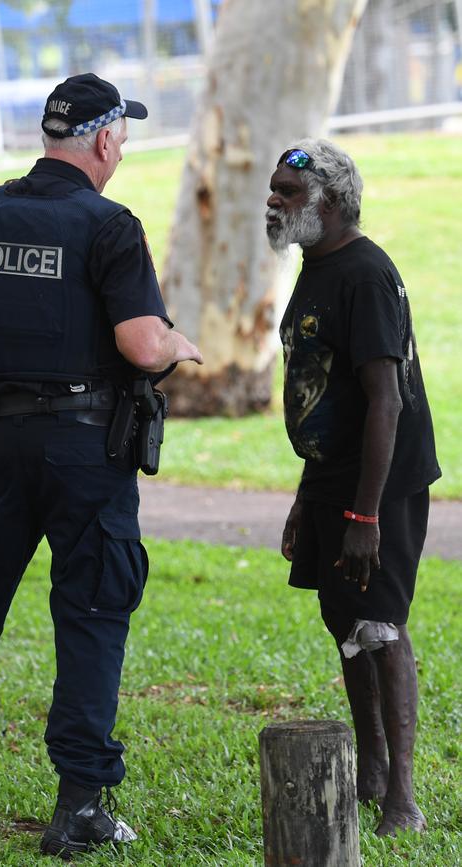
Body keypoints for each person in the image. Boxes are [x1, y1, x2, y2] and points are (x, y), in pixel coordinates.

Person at [0, 72, 203, 859]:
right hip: (87, 454)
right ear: (100, 141)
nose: (120, 151)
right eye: (120, 138)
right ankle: (81, 806)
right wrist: (180, 344)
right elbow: (139, 344)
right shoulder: (110, 225)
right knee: (91, 615)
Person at [266, 138, 440, 837]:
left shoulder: (364, 274)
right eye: (274, 190)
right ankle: (367, 773)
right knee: (345, 624)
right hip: (335, 477)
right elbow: (323, 395)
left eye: (289, 192)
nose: (274, 202)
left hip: (381, 486)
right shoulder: (318, 265)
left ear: (330, 204)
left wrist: (364, 512)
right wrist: (308, 498)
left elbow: (385, 402)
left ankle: (402, 798)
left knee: (380, 625)